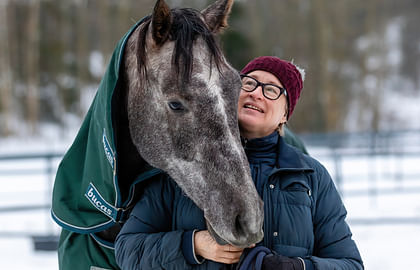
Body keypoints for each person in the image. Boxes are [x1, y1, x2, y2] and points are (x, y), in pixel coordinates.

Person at [114, 56, 363, 269]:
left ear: (285, 114)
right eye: (249, 83)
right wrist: (194, 245)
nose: (256, 92)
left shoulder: (311, 177)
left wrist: (297, 266)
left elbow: (349, 264)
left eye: (272, 89)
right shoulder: (187, 161)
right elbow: (127, 250)